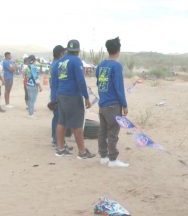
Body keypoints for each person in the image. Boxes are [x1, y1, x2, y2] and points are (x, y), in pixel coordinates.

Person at [51, 39, 95, 159]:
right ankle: (82, 152)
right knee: (77, 124)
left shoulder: (60, 61)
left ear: (68, 49)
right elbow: (80, 80)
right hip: (73, 96)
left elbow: (54, 80)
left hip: (61, 95)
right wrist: (86, 97)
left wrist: (54, 97)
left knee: (61, 122)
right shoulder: (76, 61)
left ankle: (60, 149)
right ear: (78, 50)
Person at [96, 37, 129, 167]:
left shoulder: (101, 65)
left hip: (102, 104)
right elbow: (119, 88)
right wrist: (124, 105)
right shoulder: (116, 66)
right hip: (113, 105)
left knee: (102, 131)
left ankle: (103, 157)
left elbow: (99, 83)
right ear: (118, 50)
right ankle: (113, 160)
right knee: (113, 132)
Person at [49, 45, 65, 147]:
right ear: (61, 54)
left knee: (56, 117)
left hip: (54, 94)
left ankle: (55, 139)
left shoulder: (53, 64)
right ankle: (56, 140)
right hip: (58, 95)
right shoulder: (59, 65)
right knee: (59, 119)